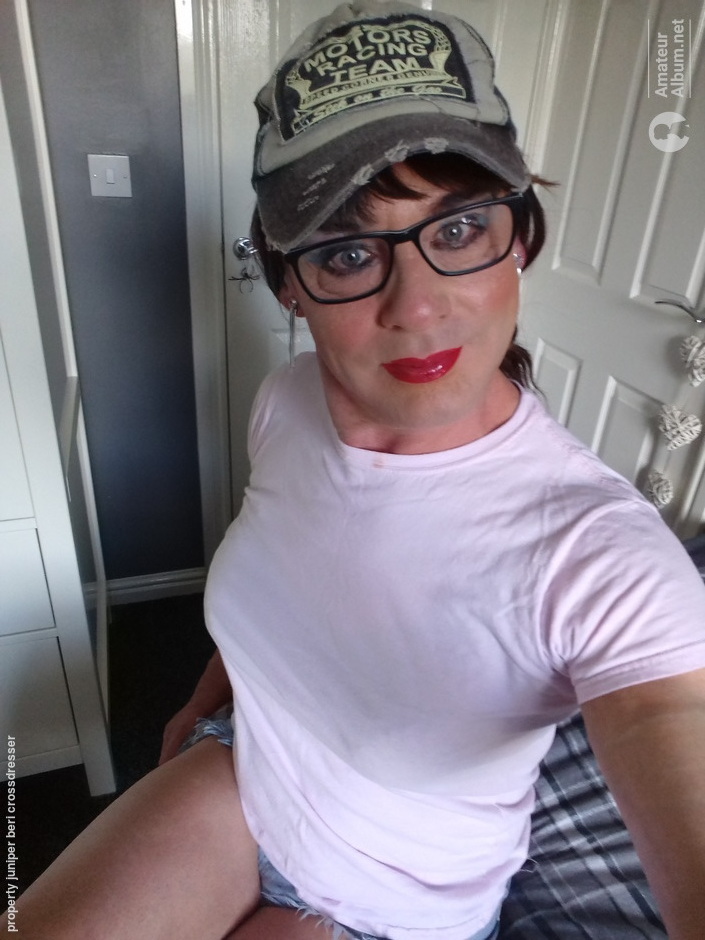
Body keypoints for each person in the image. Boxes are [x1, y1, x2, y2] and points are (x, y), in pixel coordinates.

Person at [4, 3, 705, 939]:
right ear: (288, 284)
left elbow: (666, 723)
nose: (416, 307)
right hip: (240, 766)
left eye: (457, 230)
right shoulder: (288, 401)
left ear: (521, 239)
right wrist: (211, 695)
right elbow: (291, 573)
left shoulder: (598, 551)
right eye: (344, 253)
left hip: (389, 894)